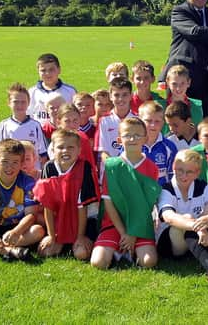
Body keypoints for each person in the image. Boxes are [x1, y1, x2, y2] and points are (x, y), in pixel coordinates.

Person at [157, 149, 208, 289]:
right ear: (173, 168)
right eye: (180, 170)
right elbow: (169, 217)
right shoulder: (167, 189)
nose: (183, 175)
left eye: (189, 172)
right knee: (188, 218)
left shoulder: (202, 186)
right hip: (171, 245)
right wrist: (200, 228)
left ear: (197, 172)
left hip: (194, 240)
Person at [90, 117, 161, 269]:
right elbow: (108, 202)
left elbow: (146, 206)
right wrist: (124, 233)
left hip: (140, 224)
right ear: (119, 139)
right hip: (114, 224)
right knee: (98, 262)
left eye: (137, 135)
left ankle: (128, 251)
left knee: (148, 262)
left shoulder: (151, 168)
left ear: (145, 138)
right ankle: (119, 249)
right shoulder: (111, 165)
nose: (132, 138)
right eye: (127, 135)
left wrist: (133, 233)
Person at [34, 129, 100, 260]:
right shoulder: (49, 168)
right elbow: (48, 206)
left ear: (79, 150)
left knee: (81, 254)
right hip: (60, 218)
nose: (65, 151)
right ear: (53, 150)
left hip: (83, 220)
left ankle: (76, 242)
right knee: (46, 252)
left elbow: (83, 207)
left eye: (71, 147)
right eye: (60, 147)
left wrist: (80, 236)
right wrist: (51, 235)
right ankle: (62, 242)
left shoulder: (84, 167)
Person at [0, 83, 48, 169]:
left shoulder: (35, 125)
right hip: (12, 170)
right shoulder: (4, 125)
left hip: (32, 172)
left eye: (23, 102)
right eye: (16, 102)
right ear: (9, 103)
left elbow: (43, 153)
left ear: (29, 103)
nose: (20, 105)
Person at [28, 53, 76, 127]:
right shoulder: (32, 92)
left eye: (51, 69)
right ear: (38, 71)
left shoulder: (70, 91)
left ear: (59, 70)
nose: (47, 73)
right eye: (43, 70)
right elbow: (28, 115)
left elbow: (76, 115)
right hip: (39, 134)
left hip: (63, 135)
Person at [95, 77, 136, 164]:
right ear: (110, 96)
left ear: (131, 95)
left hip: (132, 170)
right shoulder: (104, 121)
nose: (120, 99)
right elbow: (103, 151)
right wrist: (114, 167)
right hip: (111, 171)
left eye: (125, 95)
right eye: (116, 95)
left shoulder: (138, 120)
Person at [139, 101, 177, 186]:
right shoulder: (131, 144)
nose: (153, 125)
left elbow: (173, 176)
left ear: (163, 123)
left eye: (157, 121)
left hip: (162, 194)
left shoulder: (169, 147)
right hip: (138, 194)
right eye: (148, 121)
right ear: (140, 121)